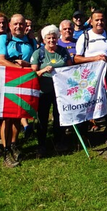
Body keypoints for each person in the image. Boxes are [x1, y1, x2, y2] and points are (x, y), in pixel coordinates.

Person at [74, 9, 107, 145]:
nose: (99, 22)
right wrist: (94, 59)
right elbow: (77, 59)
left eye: (102, 19)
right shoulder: (85, 36)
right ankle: (84, 135)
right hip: (89, 78)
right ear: (92, 21)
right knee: (87, 104)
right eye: (97, 20)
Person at [0, 13, 37, 167]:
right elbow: (0, 60)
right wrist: (18, 67)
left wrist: (25, 64)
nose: (18, 27)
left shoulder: (31, 41)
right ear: (10, 26)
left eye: (21, 24)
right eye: (15, 24)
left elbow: (34, 62)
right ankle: (5, 151)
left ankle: (14, 145)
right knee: (6, 117)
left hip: (23, 83)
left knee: (17, 115)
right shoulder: (3, 39)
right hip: (6, 82)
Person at [31, 25, 72, 157]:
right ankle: (41, 144)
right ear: (44, 40)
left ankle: (59, 141)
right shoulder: (39, 53)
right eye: (48, 38)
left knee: (59, 116)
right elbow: (33, 73)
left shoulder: (63, 51)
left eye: (54, 38)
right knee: (42, 118)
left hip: (60, 90)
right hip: (44, 90)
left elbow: (70, 68)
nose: (51, 40)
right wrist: (42, 71)